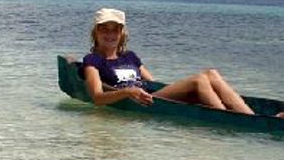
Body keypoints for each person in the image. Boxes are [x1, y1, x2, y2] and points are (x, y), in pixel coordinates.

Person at [73, 7, 255, 114]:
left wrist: (182, 92)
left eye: (115, 30)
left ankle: (248, 115)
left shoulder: (130, 56)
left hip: (149, 96)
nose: (110, 34)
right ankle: (226, 117)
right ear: (96, 32)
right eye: (104, 29)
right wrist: (128, 92)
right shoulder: (93, 60)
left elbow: (153, 83)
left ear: (122, 33)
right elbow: (97, 98)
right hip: (140, 101)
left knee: (211, 74)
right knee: (200, 79)